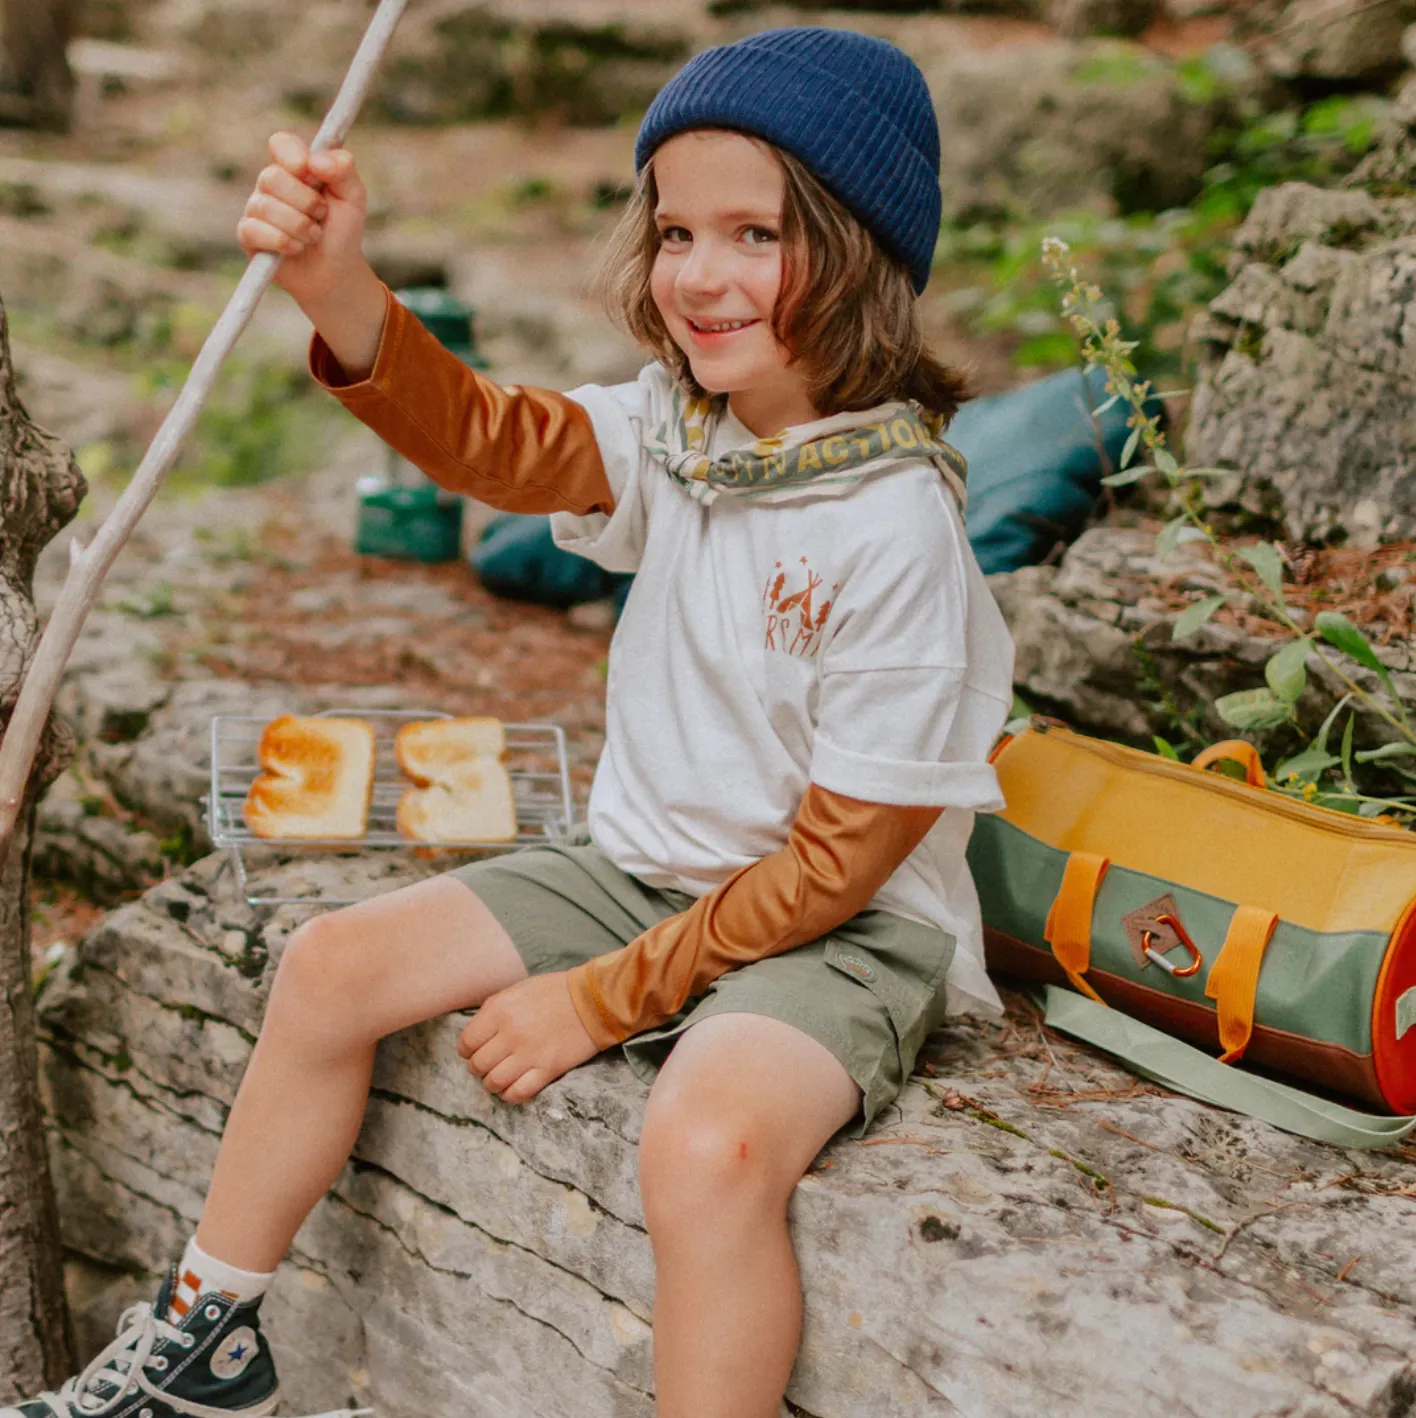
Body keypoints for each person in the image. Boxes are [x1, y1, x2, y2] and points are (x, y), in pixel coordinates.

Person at [5, 27, 1015, 1418]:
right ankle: (203, 1344)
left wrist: (599, 999)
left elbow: (838, 863)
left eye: (755, 234)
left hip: (837, 929)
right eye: (675, 231)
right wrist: (336, 284)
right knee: (329, 965)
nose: (700, 274)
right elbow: (493, 436)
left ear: (857, 253)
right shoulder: (682, 427)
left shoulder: (896, 526)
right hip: (640, 867)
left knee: (707, 1141)